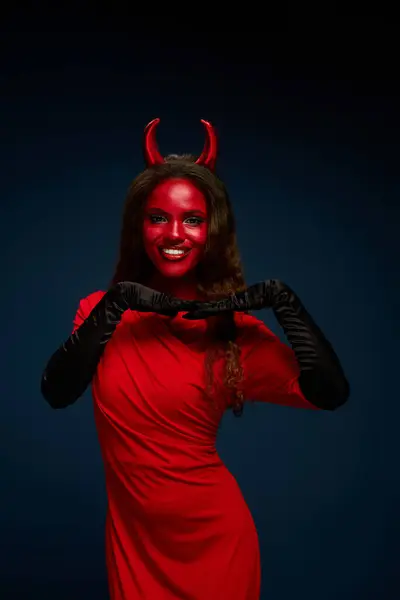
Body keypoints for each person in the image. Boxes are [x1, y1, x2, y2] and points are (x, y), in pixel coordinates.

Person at [41, 118, 350, 600]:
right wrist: (118, 300)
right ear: (139, 225)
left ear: (212, 231)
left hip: (216, 542)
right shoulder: (99, 312)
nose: (175, 233)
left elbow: (330, 393)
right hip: (136, 545)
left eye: (193, 220)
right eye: (159, 217)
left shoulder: (233, 333)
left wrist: (284, 302)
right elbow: (57, 392)